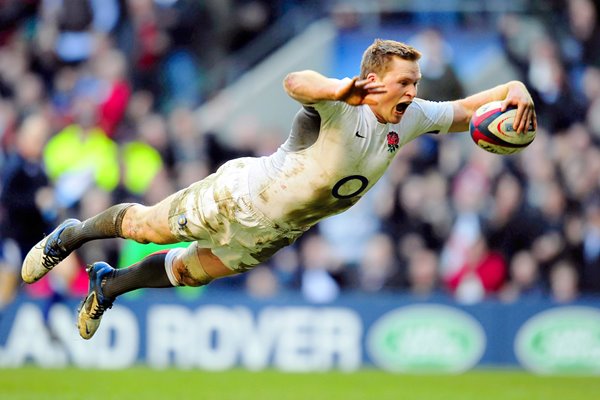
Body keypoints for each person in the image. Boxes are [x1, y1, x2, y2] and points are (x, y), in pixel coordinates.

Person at [21, 39, 537, 339]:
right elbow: (295, 81)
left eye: (416, 82)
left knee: (185, 272)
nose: (413, 92)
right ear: (373, 80)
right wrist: (340, 89)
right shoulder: (343, 104)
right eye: (405, 82)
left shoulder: (414, 116)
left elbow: (471, 110)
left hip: (280, 230)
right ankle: (69, 236)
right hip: (240, 195)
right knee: (147, 226)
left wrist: (514, 90)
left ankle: (107, 285)